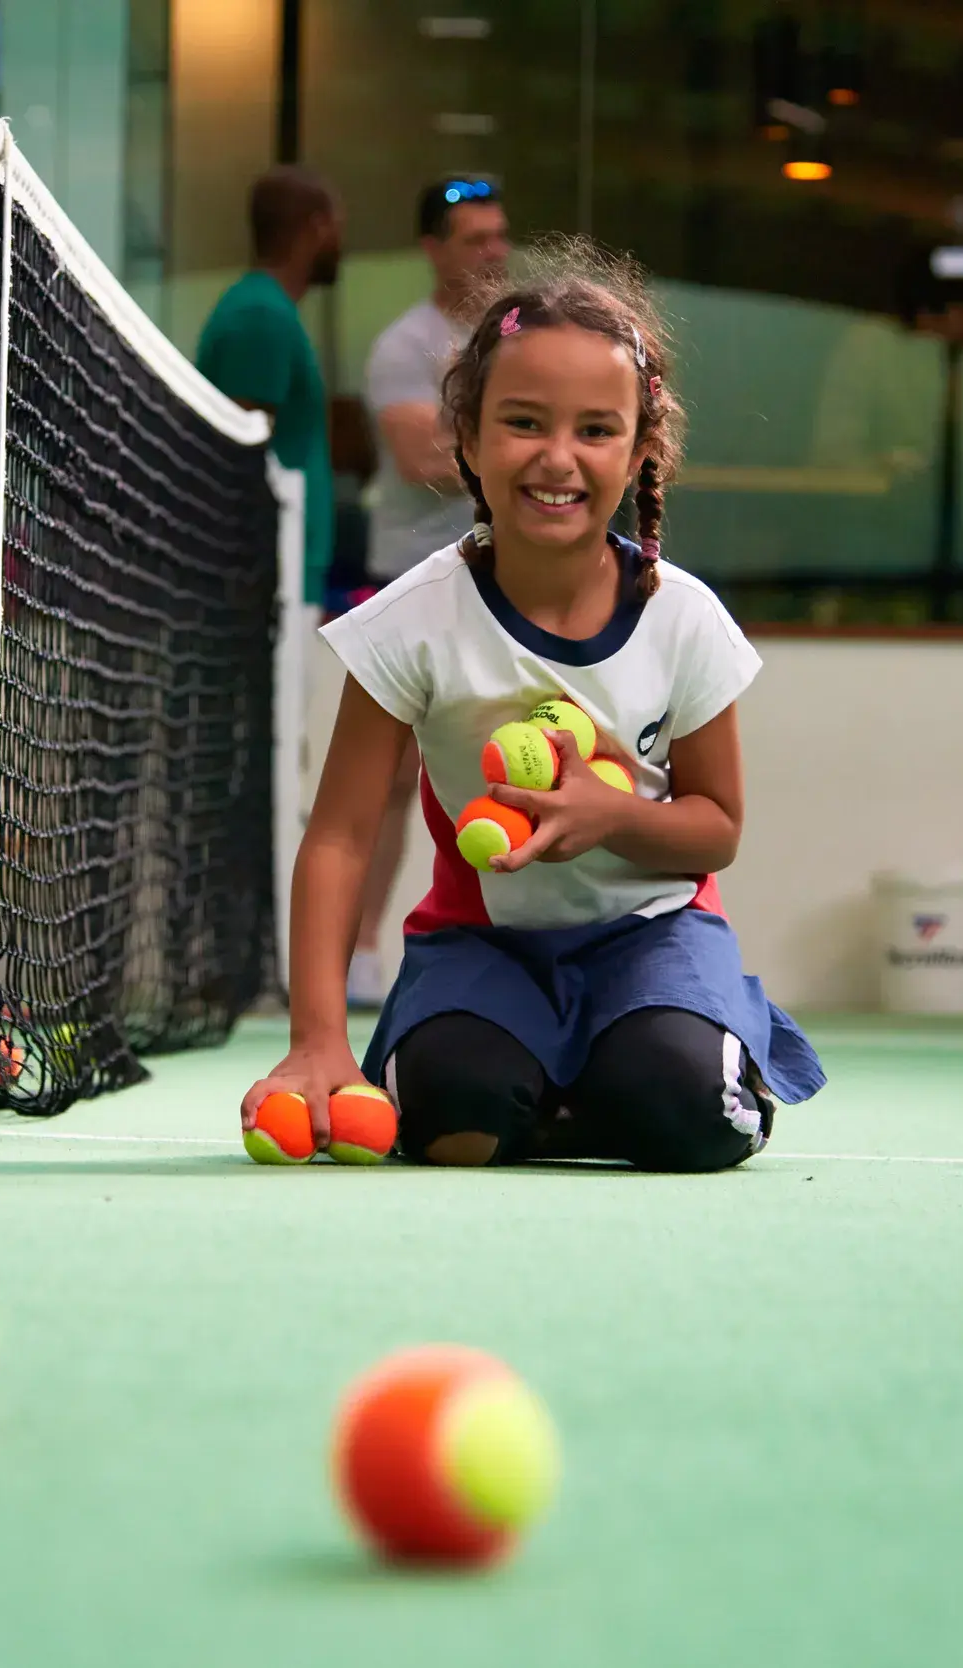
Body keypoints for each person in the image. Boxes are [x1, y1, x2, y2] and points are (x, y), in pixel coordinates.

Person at [239, 244, 826, 1171]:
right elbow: (341, 836)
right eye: (523, 422)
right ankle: (558, 1086)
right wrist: (318, 1042)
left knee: (686, 1115)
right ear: (467, 436)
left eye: (597, 430)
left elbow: (717, 831)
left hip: (654, 935)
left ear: (641, 452)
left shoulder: (683, 618)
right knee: (452, 1121)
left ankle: (662, 1065)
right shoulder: (409, 623)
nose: (558, 457)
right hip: (482, 946)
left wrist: (613, 818)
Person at [344, 177, 513, 1008]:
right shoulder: (404, 345)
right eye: (474, 237)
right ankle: (360, 950)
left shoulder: (512, 341)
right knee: (385, 777)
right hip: (410, 583)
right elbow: (420, 461)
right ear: (433, 249)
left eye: (498, 236)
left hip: (499, 577)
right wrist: (527, 471)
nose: (492, 250)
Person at [193, 164, 342, 606]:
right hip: (268, 577)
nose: (340, 242)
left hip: (287, 567)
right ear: (317, 227)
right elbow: (240, 456)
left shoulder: (270, 310)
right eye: (337, 227)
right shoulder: (261, 316)